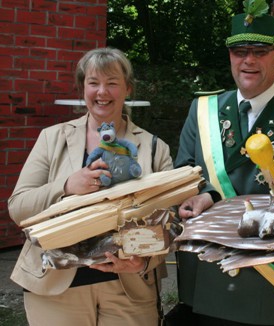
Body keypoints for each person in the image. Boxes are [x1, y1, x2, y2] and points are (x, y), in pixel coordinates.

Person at [172, 2, 274, 326]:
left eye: (260, 51)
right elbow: (182, 179)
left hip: (261, 285)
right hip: (201, 282)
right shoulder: (202, 111)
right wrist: (200, 196)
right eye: (239, 50)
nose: (248, 60)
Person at [8, 47, 173, 326]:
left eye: (112, 83)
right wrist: (66, 186)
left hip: (127, 288)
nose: (102, 92)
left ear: (128, 89)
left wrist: (143, 262)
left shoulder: (155, 147)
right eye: (94, 83)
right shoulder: (52, 138)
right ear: (82, 88)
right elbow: (18, 207)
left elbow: (171, 220)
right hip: (56, 288)